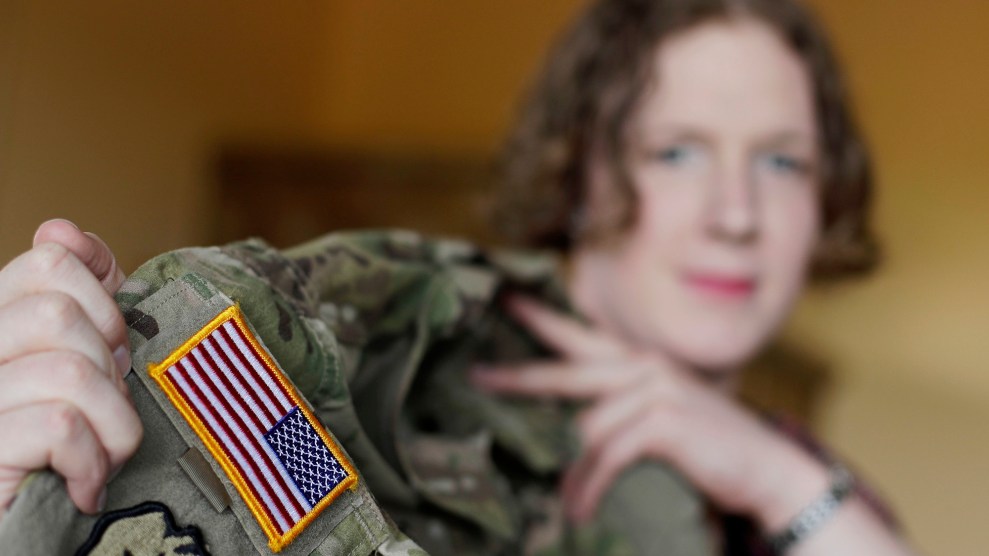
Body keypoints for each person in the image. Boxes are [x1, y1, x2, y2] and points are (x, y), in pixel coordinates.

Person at [0, 0, 917, 554]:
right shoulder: (394, 335)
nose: (736, 213)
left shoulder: (817, 492)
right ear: (583, 170)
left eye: (784, 163)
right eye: (675, 151)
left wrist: (782, 488)